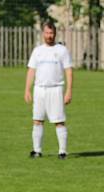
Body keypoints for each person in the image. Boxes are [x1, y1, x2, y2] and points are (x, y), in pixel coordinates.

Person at [25, 21, 73, 159]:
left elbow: (69, 71)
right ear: (43, 33)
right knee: (37, 120)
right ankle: (37, 150)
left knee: (59, 121)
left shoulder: (62, 50)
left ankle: (62, 151)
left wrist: (69, 90)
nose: (49, 36)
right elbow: (31, 71)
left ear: (55, 34)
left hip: (56, 89)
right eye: (46, 33)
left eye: (51, 33)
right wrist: (27, 89)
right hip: (39, 89)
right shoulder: (37, 51)